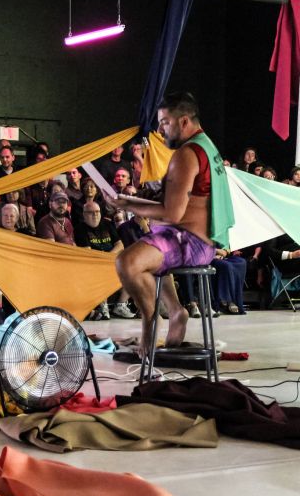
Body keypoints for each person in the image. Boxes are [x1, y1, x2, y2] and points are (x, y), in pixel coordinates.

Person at [107, 92, 226, 358]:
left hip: (192, 242)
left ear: (184, 121)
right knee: (145, 237)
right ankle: (175, 310)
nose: (160, 129)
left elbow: (172, 214)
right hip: (194, 237)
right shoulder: (206, 145)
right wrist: (141, 199)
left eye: (165, 122)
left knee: (127, 262)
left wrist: (126, 205)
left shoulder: (187, 154)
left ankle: (150, 322)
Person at [75, 201, 135, 320]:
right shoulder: (80, 229)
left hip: (111, 259)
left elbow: (120, 245)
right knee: (99, 268)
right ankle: (103, 305)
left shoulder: (107, 224)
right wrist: (106, 259)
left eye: (97, 212)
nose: (95, 215)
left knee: (133, 268)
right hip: (93, 262)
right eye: (91, 213)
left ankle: (120, 304)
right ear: (84, 214)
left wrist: (109, 257)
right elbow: (88, 252)